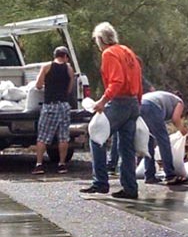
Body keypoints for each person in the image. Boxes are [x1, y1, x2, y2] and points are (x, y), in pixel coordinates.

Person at [80, 22, 142, 200]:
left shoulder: (109, 53)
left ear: (100, 39)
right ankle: (130, 188)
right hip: (132, 103)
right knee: (126, 148)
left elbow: (117, 81)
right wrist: (138, 102)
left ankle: (100, 182)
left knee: (96, 136)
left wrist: (102, 101)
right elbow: (137, 77)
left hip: (119, 102)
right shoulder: (127, 51)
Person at [106, 58, 155, 175]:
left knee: (119, 137)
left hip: (127, 105)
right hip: (135, 106)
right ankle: (133, 166)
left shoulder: (125, 73)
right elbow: (151, 89)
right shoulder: (137, 76)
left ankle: (112, 164)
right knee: (131, 138)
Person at [32, 46, 74, 175]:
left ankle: (39, 165)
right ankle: (62, 164)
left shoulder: (46, 67)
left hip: (50, 105)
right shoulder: (69, 69)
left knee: (43, 137)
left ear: (55, 56)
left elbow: (38, 85)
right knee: (63, 137)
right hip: (64, 106)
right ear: (66, 56)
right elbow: (69, 89)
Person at [140, 90, 188, 184]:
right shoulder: (179, 102)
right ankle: (170, 175)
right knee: (164, 141)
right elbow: (175, 119)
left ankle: (149, 176)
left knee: (148, 141)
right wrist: (183, 131)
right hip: (151, 106)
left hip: (139, 103)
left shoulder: (165, 97)